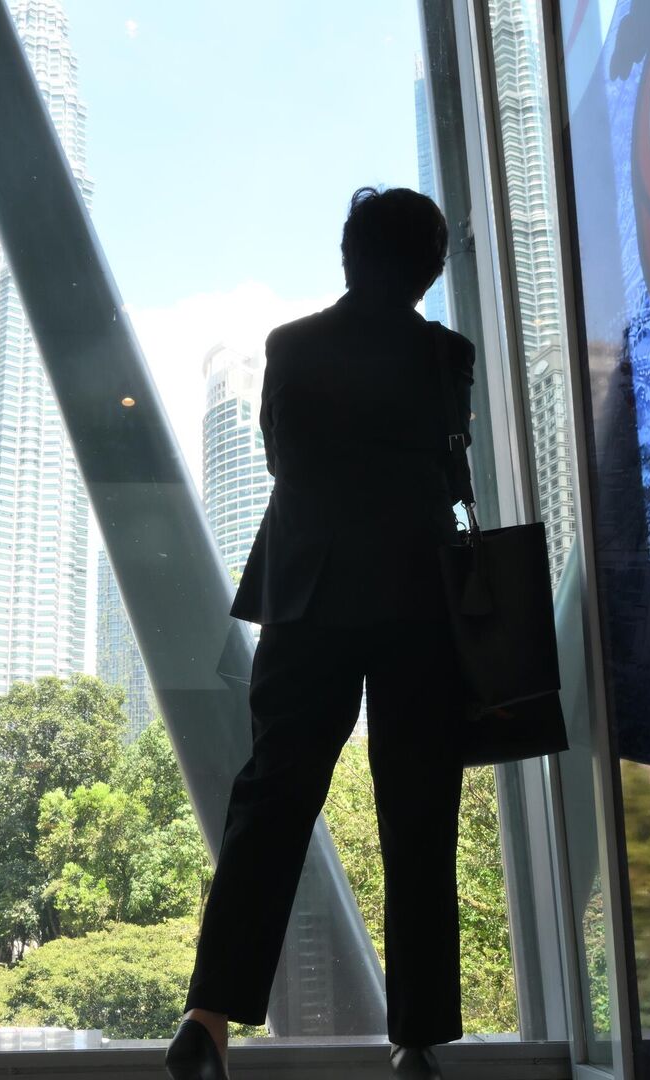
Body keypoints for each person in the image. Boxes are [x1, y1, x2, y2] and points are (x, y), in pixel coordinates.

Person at [165, 187, 474, 1080]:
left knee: (271, 801)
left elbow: (282, 459)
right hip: (418, 596)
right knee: (419, 810)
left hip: (309, 593)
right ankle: (416, 1042)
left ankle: (208, 1021)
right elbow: (451, 469)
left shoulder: (292, 345)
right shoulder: (446, 353)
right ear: (429, 269)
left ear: (349, 255)